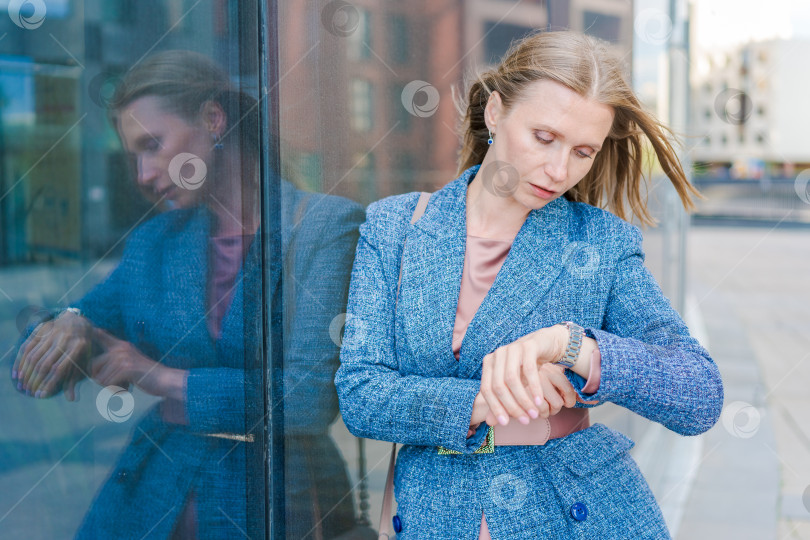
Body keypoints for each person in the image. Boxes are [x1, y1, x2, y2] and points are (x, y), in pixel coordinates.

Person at [334, 30, 724, 539]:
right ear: (495, 112)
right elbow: (362, 396)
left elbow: (699, 395)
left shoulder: (601, 242)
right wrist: (501, 397)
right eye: (544, 138)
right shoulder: (396, 227)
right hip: (435, 513)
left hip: (572, 511)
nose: (559, 170)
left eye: (583, 151)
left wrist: (571, 345)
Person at [12, 50, 365, 539]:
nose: (142, 174)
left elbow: (308, 399)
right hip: (155, 491)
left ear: (214, 119)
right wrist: (69, 320)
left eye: (153, 145)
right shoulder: (155, 242)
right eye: (133, 154)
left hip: (281, 495)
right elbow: (39, 353)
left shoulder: (322, 226)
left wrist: (156, 376)